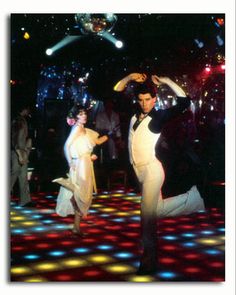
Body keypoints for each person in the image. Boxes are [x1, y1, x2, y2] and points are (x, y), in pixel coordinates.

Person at [114, 73, 205, 275]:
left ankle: (148, 260)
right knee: (157, 210)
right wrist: (129, 77)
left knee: (146, 216)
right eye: (141, 100)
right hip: (140, 174)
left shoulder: (158, 117)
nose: (145, 104)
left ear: (154, 99)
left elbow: (184, 102)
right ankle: (195, 199)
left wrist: (166, 81)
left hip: (153, 171)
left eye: (148, 99)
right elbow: (117, 91)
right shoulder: (133, 115)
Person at [53, 104, 108, 237]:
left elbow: (83, 146)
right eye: (81, 114)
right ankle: (76, 224)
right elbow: (66, 146)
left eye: (85, 113)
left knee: (83, 193)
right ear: (76, 116)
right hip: (80, 164)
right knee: (82, 194)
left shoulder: (82, 128)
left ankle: (76, 227)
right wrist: (70, 161)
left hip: (85, 163)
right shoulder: (77, 128)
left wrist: (90, 156)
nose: (84, 116)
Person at [11, 104, 34, 207]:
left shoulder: (21, 120)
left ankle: (25, 200)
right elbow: (14, 138)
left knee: (23, 176)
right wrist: (19, 153)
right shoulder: (18, 120)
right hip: (17, 151)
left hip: (21, 151)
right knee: (14, 174)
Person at [95, 99, 122, 165]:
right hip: (104, 140)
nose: (109, 105)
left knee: (114, 159)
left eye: (110, 103)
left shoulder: (115, 115)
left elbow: (118, 129)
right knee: (105, 159)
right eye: (107, 104)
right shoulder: (100, 116)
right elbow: (97, 129)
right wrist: (106, 132)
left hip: (113, 140)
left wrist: (119, 139)